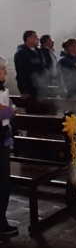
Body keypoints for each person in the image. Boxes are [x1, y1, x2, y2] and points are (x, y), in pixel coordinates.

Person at [0, 56, 19, 236]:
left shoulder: (1, 89)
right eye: (3, 69)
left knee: (4, 183)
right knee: (2, 183)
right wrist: (9, 111)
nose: (6, 72)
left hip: (3, 140)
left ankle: (2, 219)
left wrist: (10, 106)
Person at [14, 30, 47, 98]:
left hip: (42, 88)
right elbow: (21, 73)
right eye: (35, 37)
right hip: (30, 89)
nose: (38, 39)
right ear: (28, 39)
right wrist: (24, 91)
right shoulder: (21, 53)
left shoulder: (39, 52)